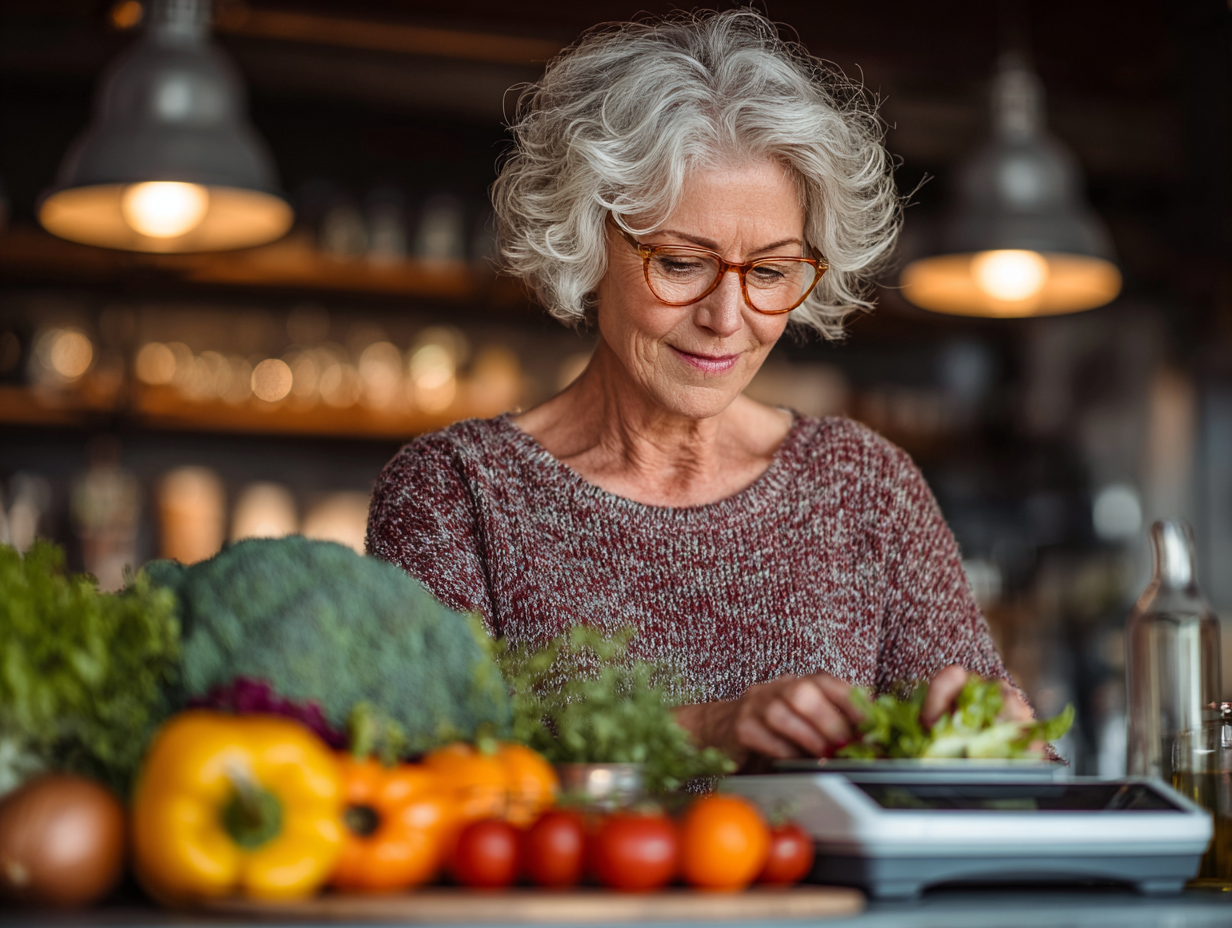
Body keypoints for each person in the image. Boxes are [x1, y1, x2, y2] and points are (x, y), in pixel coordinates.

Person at [367, 9, 1032, 768]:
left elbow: (1005, 783)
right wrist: (704, 733)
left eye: (772, 272)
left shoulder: (864, 486)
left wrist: (995, 742)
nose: (727, 318)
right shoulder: (456, 491)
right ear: (590, 239)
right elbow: (417, 774)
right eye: (682, 263)